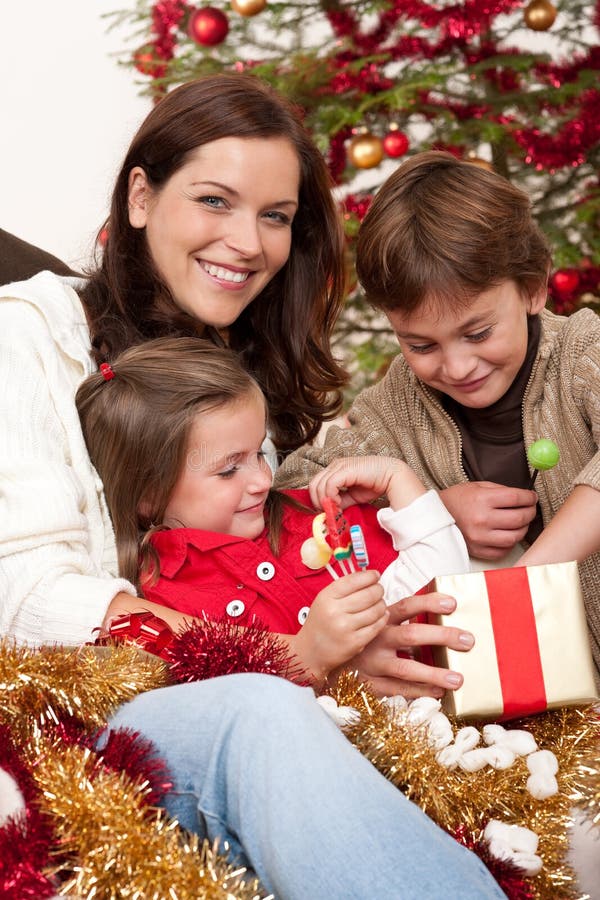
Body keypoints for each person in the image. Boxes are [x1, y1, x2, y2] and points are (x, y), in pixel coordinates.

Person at [0, 78, 502, 897]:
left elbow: (284, 546)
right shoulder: (29, 332)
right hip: (83, 714)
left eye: (275, 216)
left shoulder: (238, 381)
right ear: (140, 196)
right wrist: (290, 661)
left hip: (248, 689)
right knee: (260, 712)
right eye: (215, 201)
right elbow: (25, 593)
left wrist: (420, 520)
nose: (248, 241)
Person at [275, 149, 600, 682]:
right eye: (420, 344)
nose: (457, 365)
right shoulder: (397, 406)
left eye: (478, 333)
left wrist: (528, 578)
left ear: (533, 287)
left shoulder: (583, 354)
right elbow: (297, 485)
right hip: (514, 707)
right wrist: (432, 512)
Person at [76, 336, 470, 685]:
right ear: (149, 493)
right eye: (229, 469)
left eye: (260, 454)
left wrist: (398, 480)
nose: (263, 481)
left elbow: (449, 598)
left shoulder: (317, 520)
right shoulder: (157, 605)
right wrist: (312, 659)